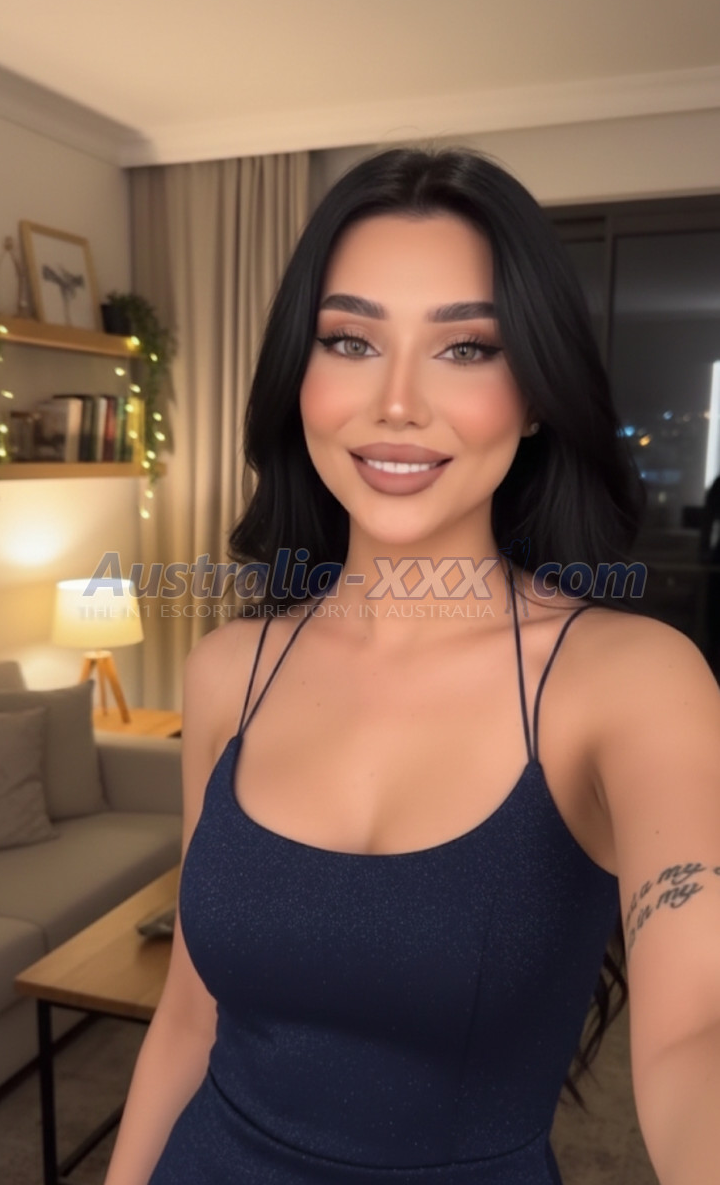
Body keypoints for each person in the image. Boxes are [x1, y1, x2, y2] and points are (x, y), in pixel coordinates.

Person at [104, 146, 720, 1185]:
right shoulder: (226, 672)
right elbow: (188, 1017)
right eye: (349, 341)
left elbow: (695, 1031)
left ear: (535, 394)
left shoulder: (632, 682)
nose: (395, 402)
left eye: (465, 349)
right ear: (299, 379)